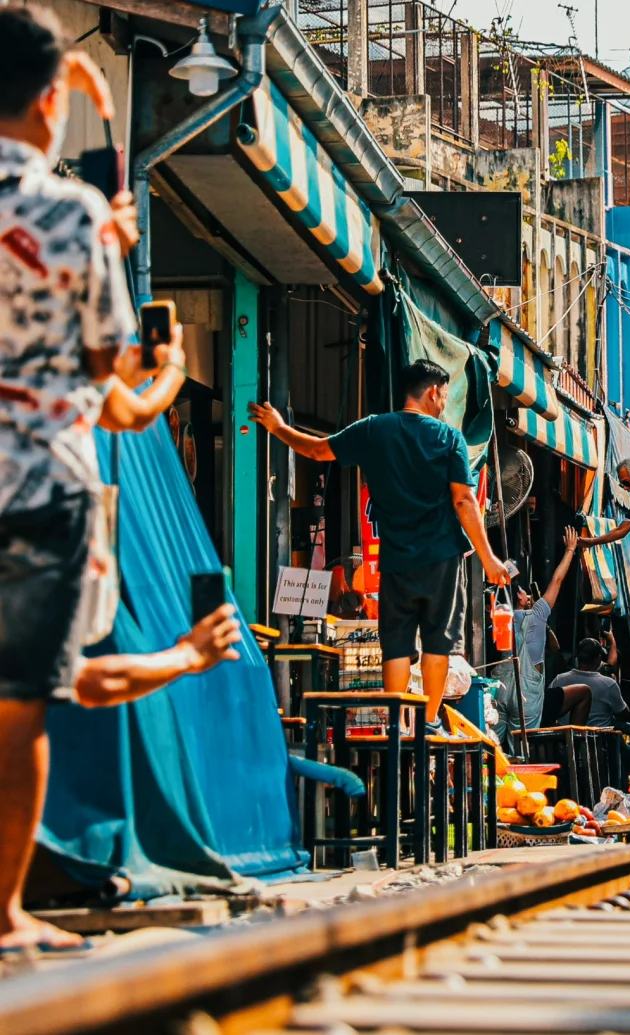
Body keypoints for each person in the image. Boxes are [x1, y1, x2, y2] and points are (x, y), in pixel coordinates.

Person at [0, 5, 234, 954]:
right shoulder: (71, 214)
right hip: (40, 486)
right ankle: (5, 911)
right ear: (51, 100)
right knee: (22, 704)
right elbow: (107, 378)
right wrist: (167, 369)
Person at [248, 359, 511, 733]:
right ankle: (430, 721)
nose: (443, 403)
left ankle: (397, 722)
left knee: (398, 641)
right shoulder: (448, 438)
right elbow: (465, 502)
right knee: (438, 641)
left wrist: (279, 428)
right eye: (444, 396)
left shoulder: (374, 429)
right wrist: (489, 560)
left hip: (395, 559)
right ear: (434, 392)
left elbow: (318, 451)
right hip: (441, 559)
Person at [503, 527, 579, 738]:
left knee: (496, 747)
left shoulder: (498, 617)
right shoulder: (536, 615)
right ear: (520, 598)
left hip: (500, 689)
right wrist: (570, 550)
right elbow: (557, 580)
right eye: (523, 592)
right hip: (525, 694)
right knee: (523, 745)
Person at [547, 637, 628, 729]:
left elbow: (548, 709)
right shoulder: (609, 684)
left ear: (577, 657)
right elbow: (623, 715)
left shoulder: (559, 679)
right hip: (598, 739)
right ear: (598, 659)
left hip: (563, 736)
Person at [577, 457, 630, 548]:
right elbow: (621, 530)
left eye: (626, 483)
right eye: (622, 485)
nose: (625, 488)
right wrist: (593, 541)